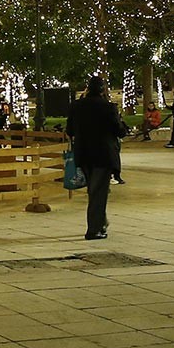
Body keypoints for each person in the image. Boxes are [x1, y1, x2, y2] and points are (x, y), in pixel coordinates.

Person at [65, 75, 125, 241]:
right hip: (102, 154)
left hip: (84, 153)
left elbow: (70, 130)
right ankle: (94, 229)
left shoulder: (76, 107)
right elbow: (119, 130)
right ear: (102, 89)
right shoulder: (108, 107)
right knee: (99, 191)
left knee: (93, 190)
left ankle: (101, 222)